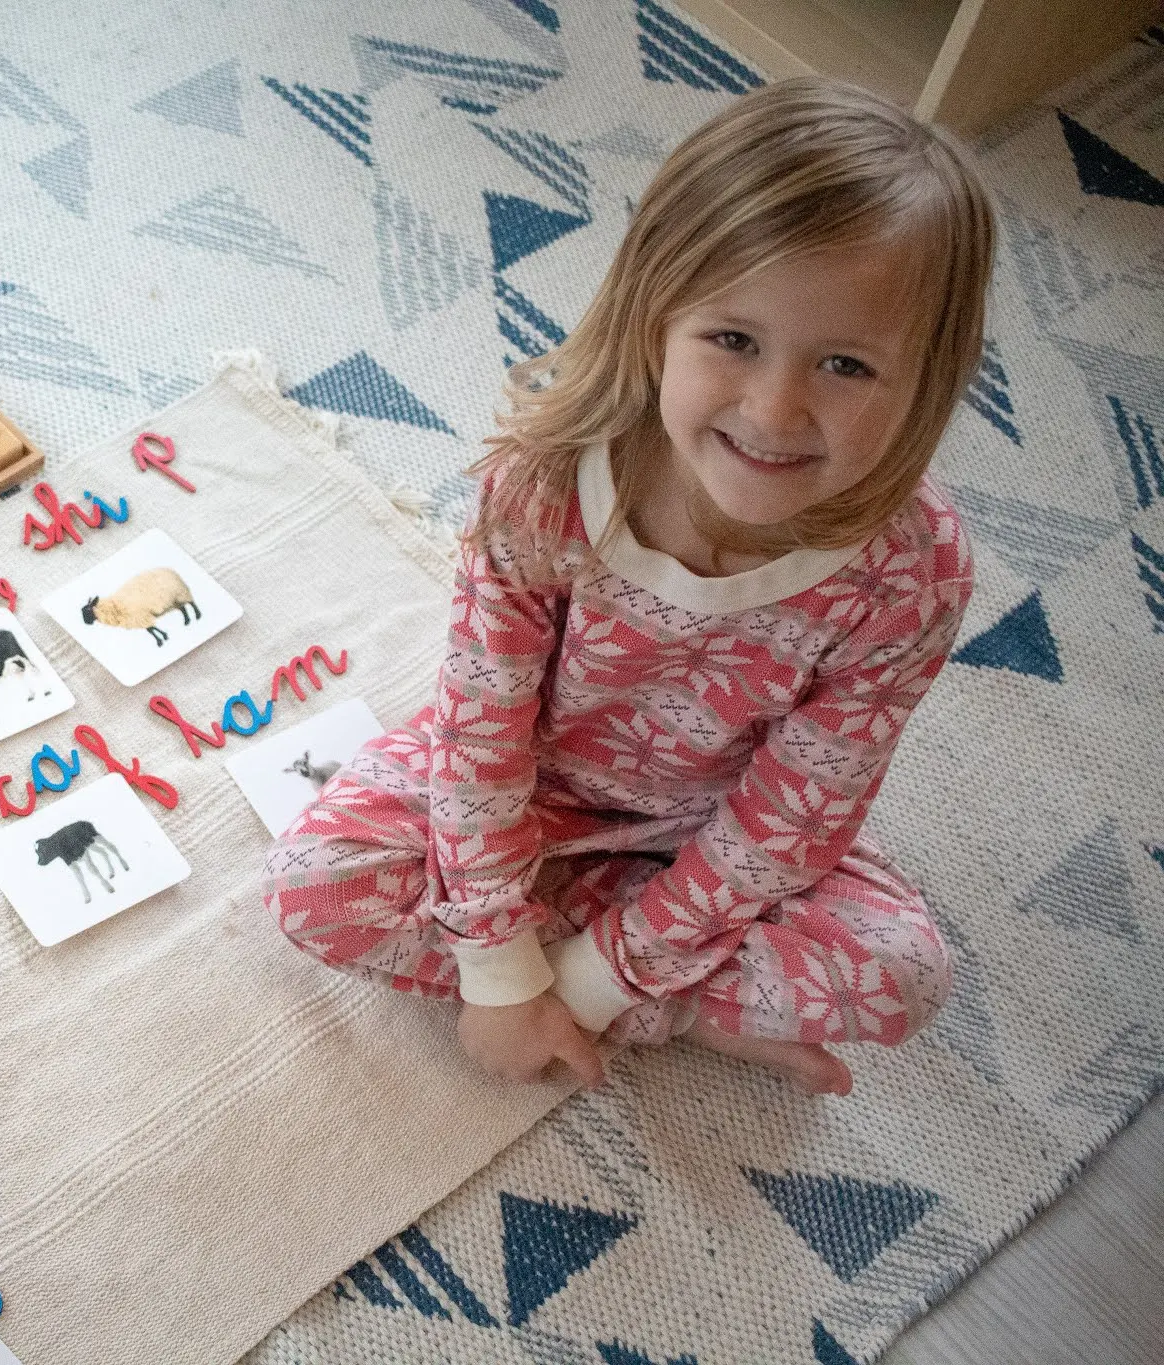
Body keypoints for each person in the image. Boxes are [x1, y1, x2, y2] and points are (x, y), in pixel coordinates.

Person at [262, 77, 993, 1097]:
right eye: (732, 341)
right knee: (314, 886)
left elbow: (790, 820)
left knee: (899, 976)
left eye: (844, 365)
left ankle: (620, 973)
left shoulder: (911, 575)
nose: (775, 409)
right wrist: (495, 966)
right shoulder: (546, 481)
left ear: (928, 378)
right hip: (527, 789)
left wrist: (594, 981)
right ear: (654, 317)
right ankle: (670, 1003)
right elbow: (478, 744)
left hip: (712, 833)